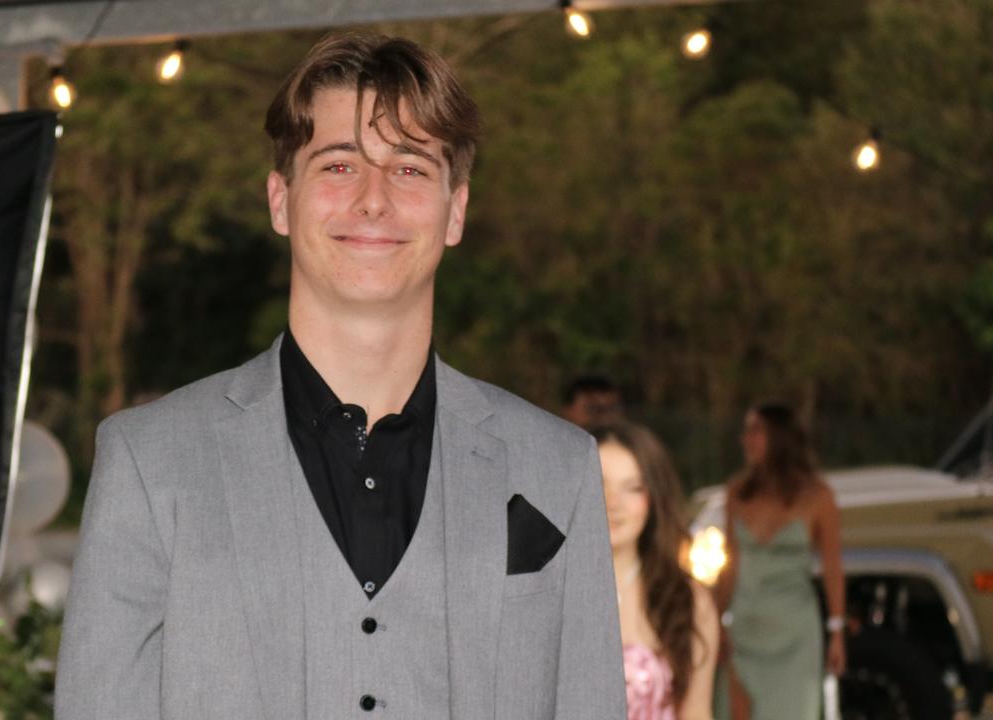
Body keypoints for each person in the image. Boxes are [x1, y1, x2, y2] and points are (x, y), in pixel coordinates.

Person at [55, 33, 627, 720]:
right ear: (279, 200)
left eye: (411, 168)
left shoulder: (557, 467)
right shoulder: (149, 460)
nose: (373, 200)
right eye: (337, 166)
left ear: (457, 211)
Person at [714, 404, 845, 720]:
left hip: (795, 634)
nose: (745, 439)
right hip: (746, 629)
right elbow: (730, 565)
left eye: (754, 430)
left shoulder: (818, 495)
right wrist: (715, 621)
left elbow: (831, 566)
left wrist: (837, 632)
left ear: (780, 436)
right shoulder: (737, 492)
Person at [596, 422, 719, 720]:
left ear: (653, 499)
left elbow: (697, 712)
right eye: (599, 484)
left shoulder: (687, 600)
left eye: (633, 488)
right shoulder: (539, 591)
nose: (613, 503)